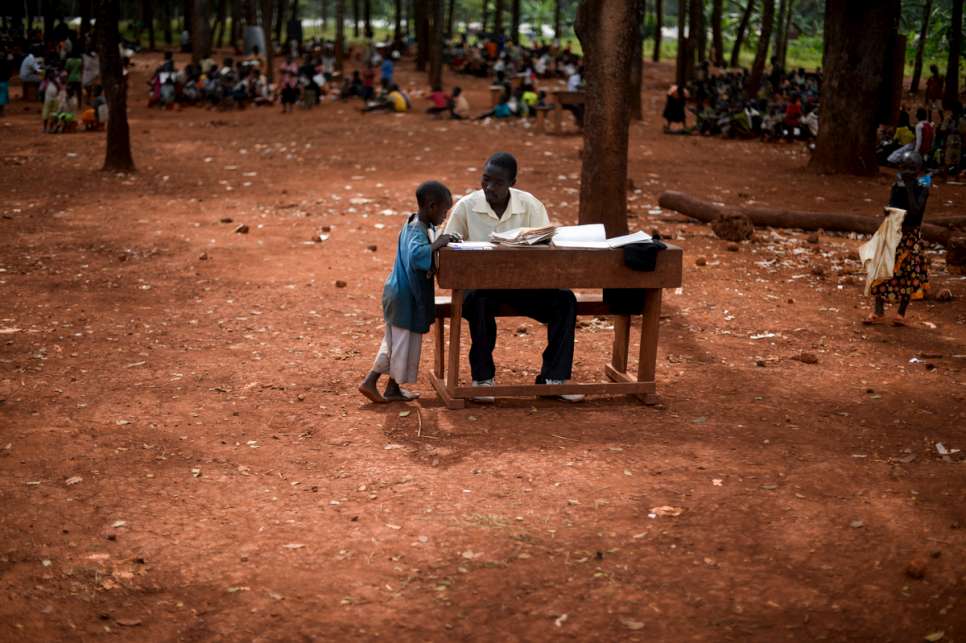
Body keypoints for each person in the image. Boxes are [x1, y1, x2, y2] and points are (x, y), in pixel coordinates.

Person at [443, 152, 582, 403]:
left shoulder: (530, 205)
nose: (489, 187)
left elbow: (547, 246)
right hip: (481, 287)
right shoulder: (467, 206)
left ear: (512, 183)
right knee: (477, 301)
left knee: (565, 300)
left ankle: (553, 379)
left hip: (525, 286)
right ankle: (483, 378)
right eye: (485, 180)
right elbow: (445, 247)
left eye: (498, 182)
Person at [359, 181, 457, 403]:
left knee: (396, 342)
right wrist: (437, 245)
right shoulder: (416, 229)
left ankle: (390, 387)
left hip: (401, 294)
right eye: (443, 211)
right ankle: (371, 381)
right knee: (400, 345)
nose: (444, 216)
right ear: (431, 206)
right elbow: (416, 256)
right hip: (404, 297)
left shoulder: (417, 223)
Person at [864, 150, 930, 326]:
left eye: (911, 168)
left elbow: (915, 212)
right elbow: (890, 208)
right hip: (893, 233)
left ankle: (901, 313)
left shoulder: (923, 189)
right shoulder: (897, 186)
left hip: (910, 237)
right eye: (904, 168)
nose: (907, 171)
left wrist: (909, 188)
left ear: (917, 170)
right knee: (881, 270)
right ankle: (878, 311)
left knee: (908, 274)